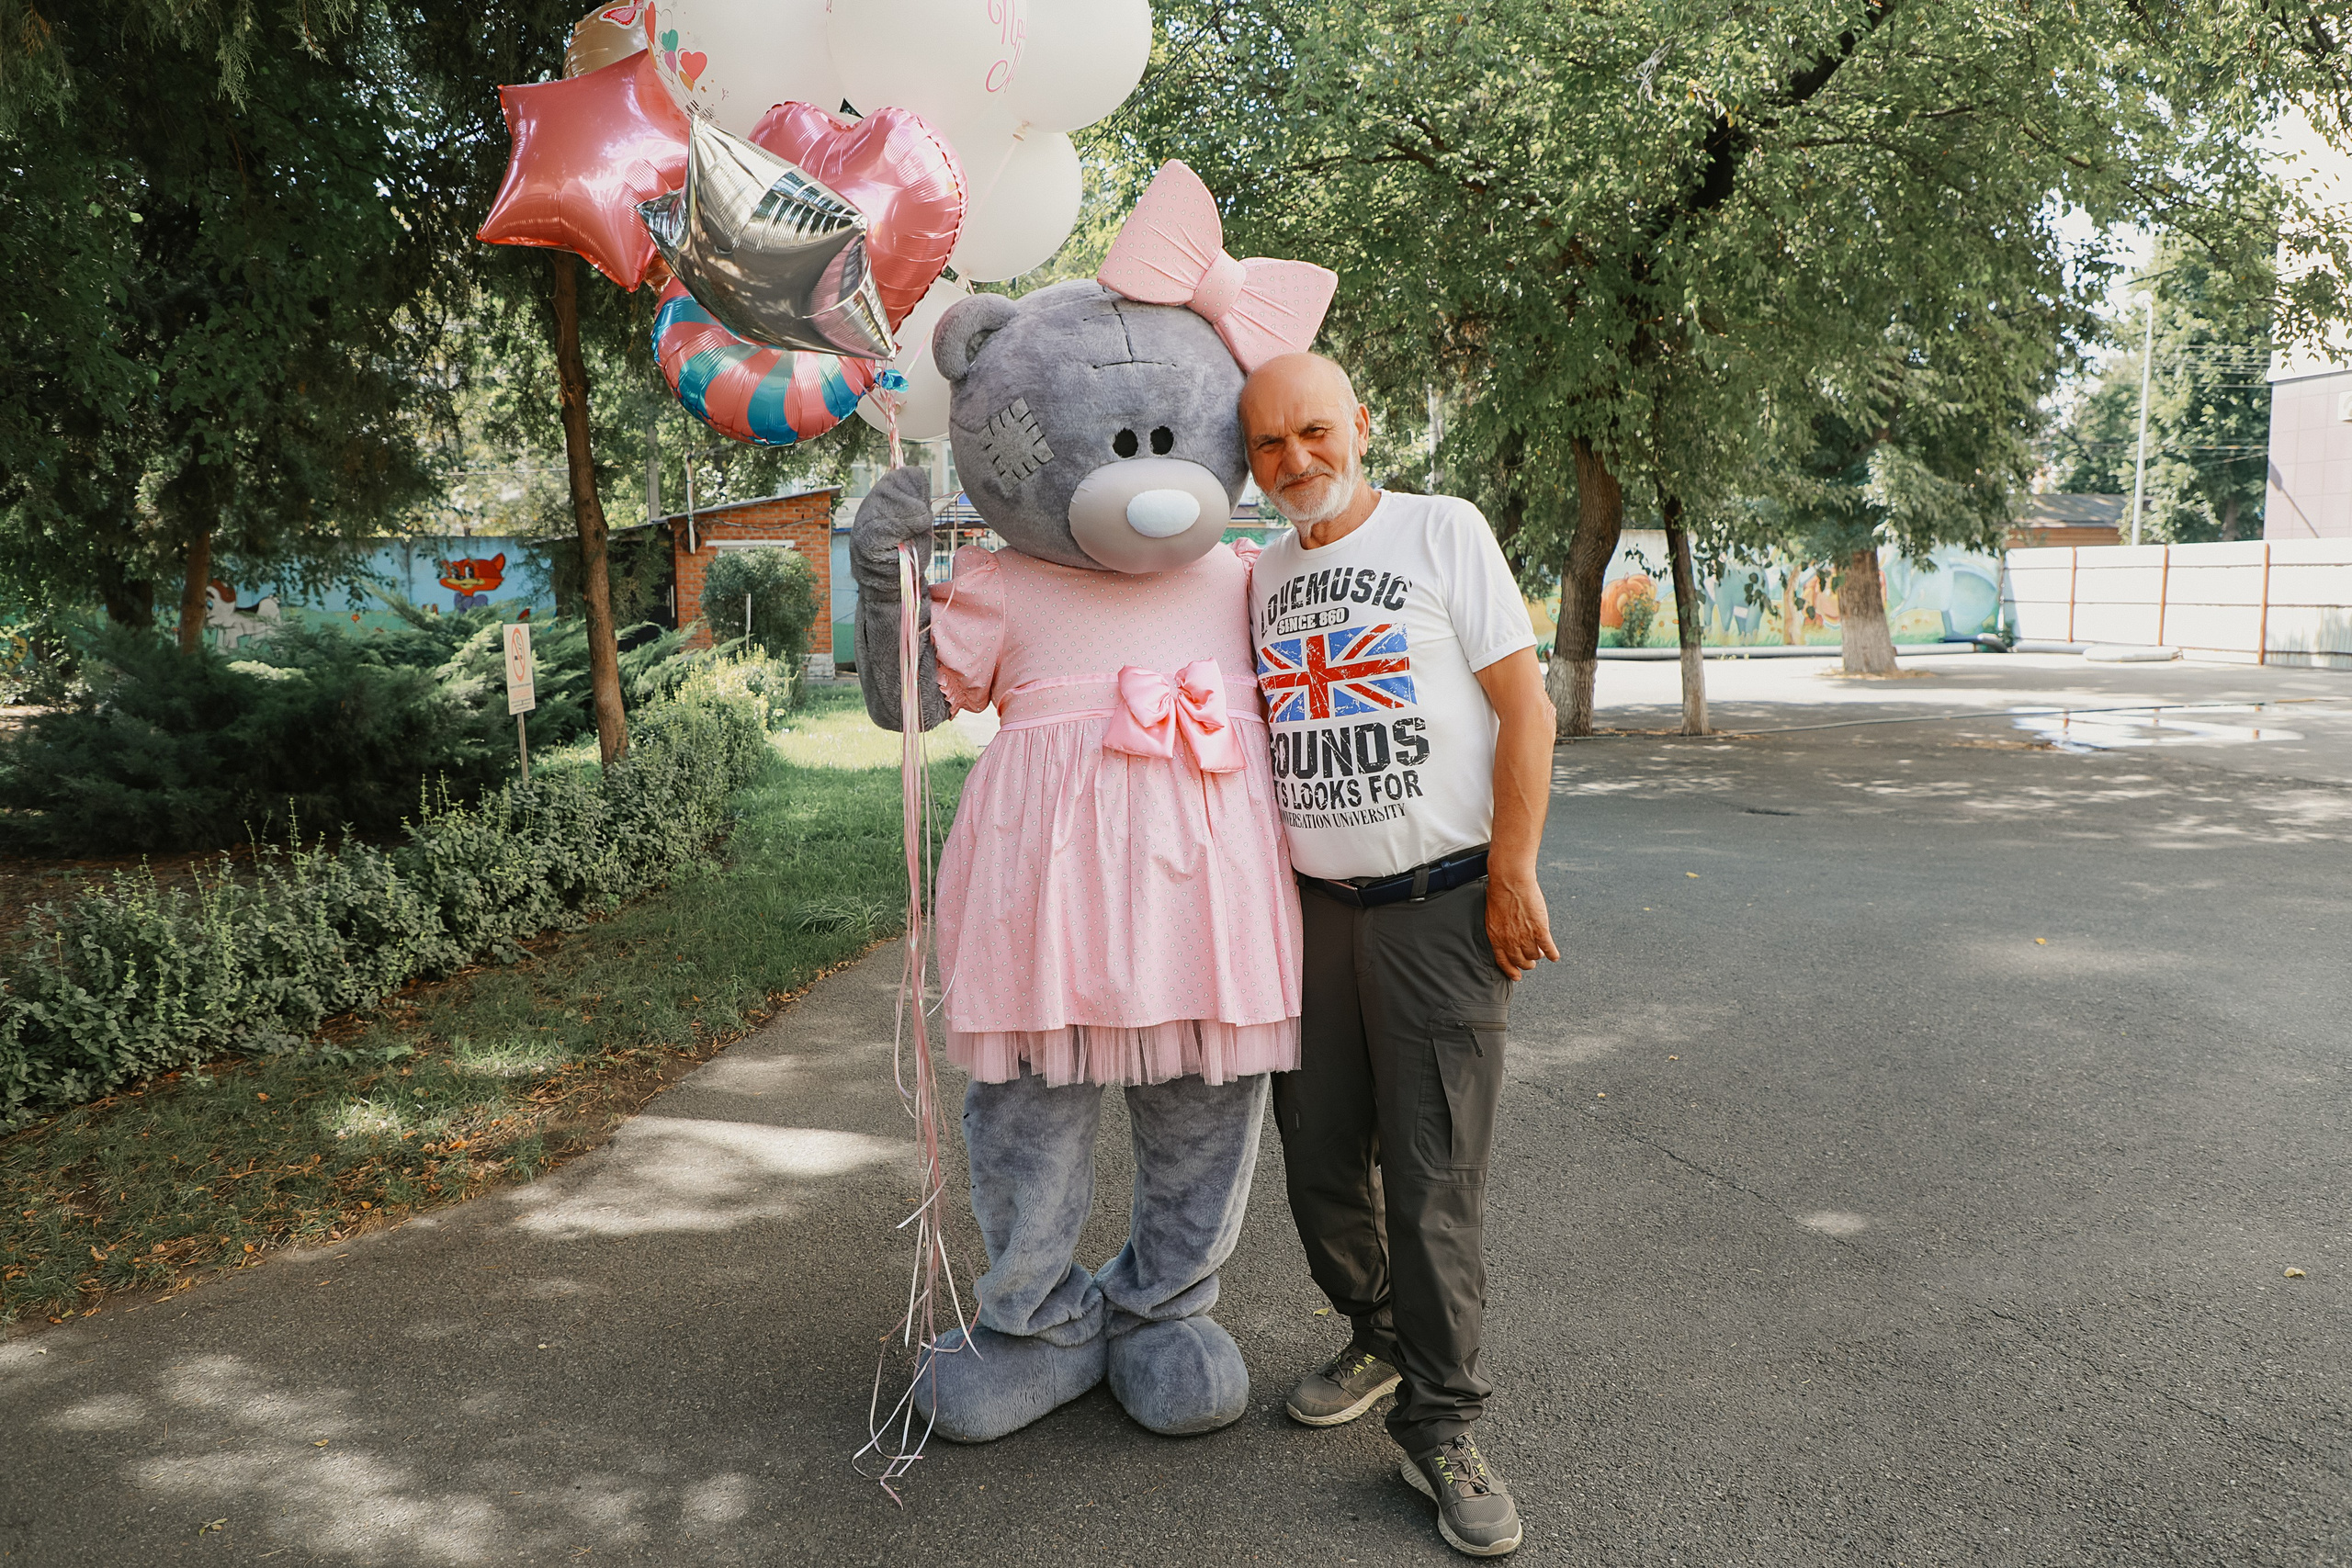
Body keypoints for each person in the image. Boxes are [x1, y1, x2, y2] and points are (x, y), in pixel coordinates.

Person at [1240, 353, 1559, 1559]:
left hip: (1441, 907)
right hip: (1315, 915)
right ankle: (1377, 1334)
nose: (1296, 461)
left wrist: (1514, 873)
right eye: (1269, 445)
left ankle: (1443, 1421)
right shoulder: (1261, 575)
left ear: (1361, 425)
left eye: (1315, 431)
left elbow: (1525, 708)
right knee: (1318, 1159)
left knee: (1432, 1181)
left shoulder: (1442, 529)